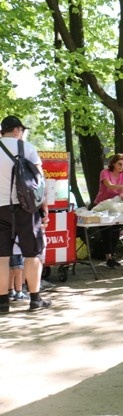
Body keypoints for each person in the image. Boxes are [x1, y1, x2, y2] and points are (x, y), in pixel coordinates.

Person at [0, 115, 51, 312]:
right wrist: (44, 207)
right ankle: (35, 299)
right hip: (26, 208)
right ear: (16, 130)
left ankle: (3, 302)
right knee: (33, 254)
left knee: (2, 257)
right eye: (21, 130)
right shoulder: (26, 148)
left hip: (0, 208)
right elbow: (40, 182)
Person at [94, 153, 123, 268]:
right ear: (113, 163)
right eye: (119, 164)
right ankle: (108, 257)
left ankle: (112, 256)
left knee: (116, 232)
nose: (121, 167)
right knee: (106, 232)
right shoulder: (105, 173)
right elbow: (110, 185)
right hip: (103, 206)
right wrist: (121, 187)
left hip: (116, 207)